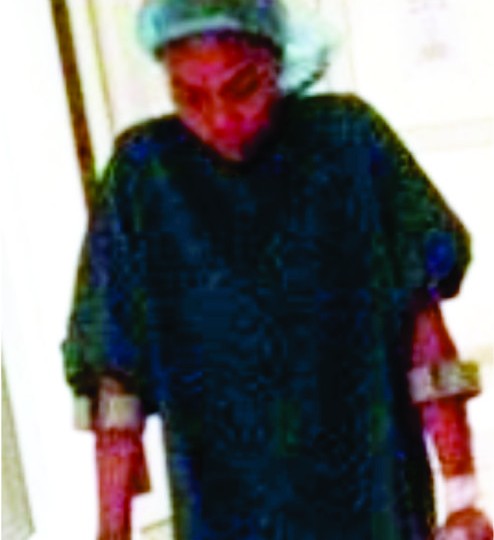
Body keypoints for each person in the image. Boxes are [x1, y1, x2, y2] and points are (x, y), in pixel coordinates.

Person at [62, 0, 493, 538]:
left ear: (276, 61)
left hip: (370, 497)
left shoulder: (347, 144)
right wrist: (111, 531)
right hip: (225, 512)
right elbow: (115, 383)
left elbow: (423, 332)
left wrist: (462, 495)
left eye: (242, 88)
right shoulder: (143, 177)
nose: (221, 119)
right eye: (190, 97)